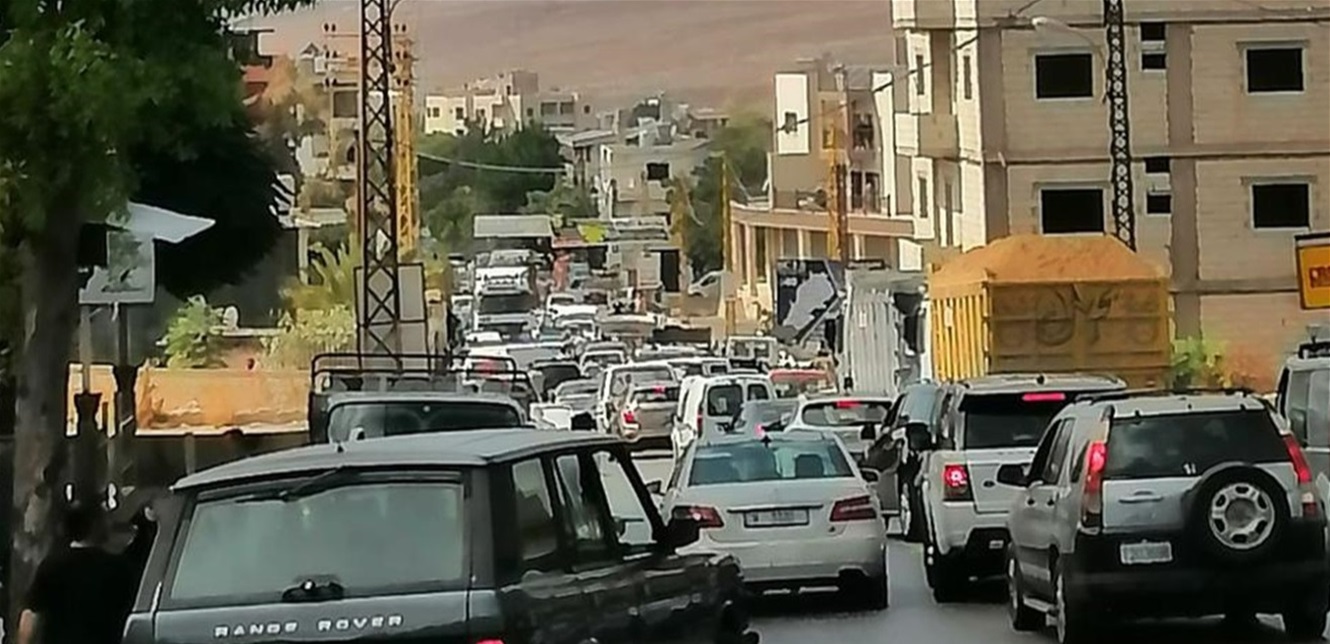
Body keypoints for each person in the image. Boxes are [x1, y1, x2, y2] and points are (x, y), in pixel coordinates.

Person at [18, 500, 149, 644]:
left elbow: (31, 615)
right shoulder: (117, 568)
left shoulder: (51, 564)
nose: (109, 524)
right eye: (105, 519)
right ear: (94, 525)